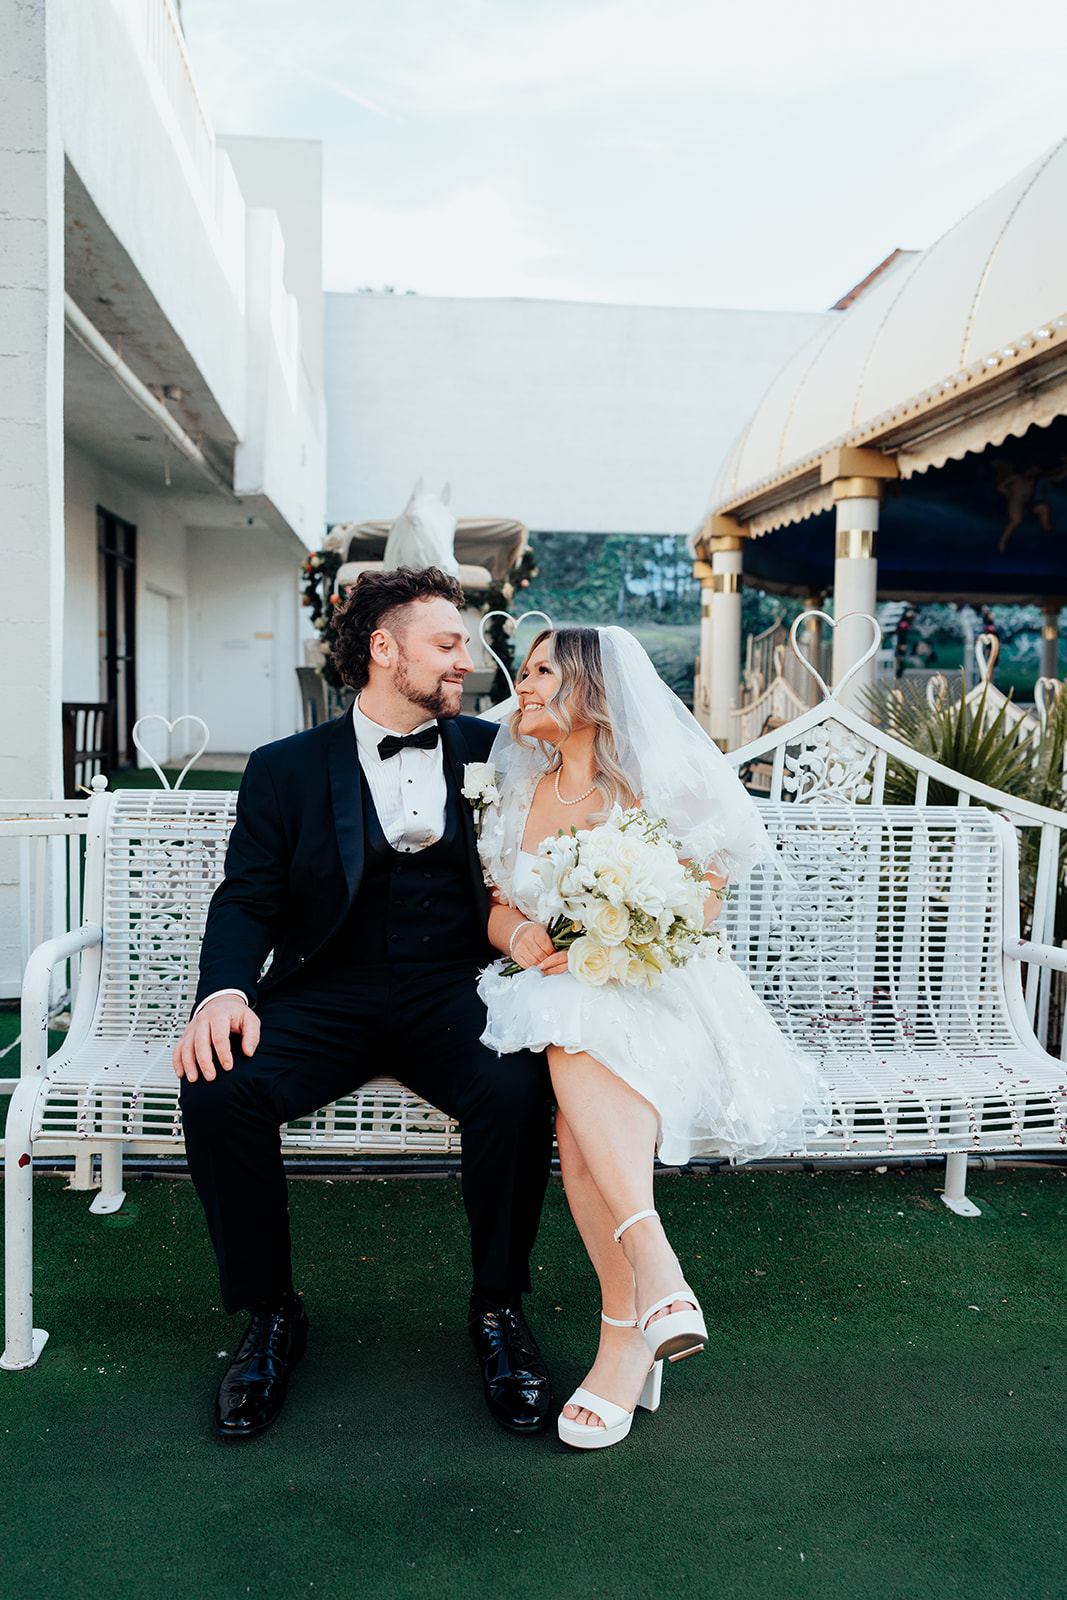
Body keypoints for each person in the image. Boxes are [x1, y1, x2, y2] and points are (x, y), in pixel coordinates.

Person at [173, 567, 554, 1440]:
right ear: (385, 650)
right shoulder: (283, 769)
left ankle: (497, 1309)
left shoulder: (495, 753)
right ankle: (270, 1313)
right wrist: (224, 993)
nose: (469, 661)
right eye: (448, 644)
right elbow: (247, 899)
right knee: (218, 1084)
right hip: (325, 990)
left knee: (515, 1089)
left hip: (454, 988)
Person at [476, 626, 830, 1450]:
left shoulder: (654, 787)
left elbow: (709, 890)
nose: (520, 687)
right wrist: (514, 936)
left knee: (573, 1048)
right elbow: (494, 903)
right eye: (523, 672)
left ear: (591, 696)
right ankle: (651, 1291)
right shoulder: (509, 793)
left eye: (539, 674)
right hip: (560, 992)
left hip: (659, 990)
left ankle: (630, 1318)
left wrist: (635, 930)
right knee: (570, 1060)